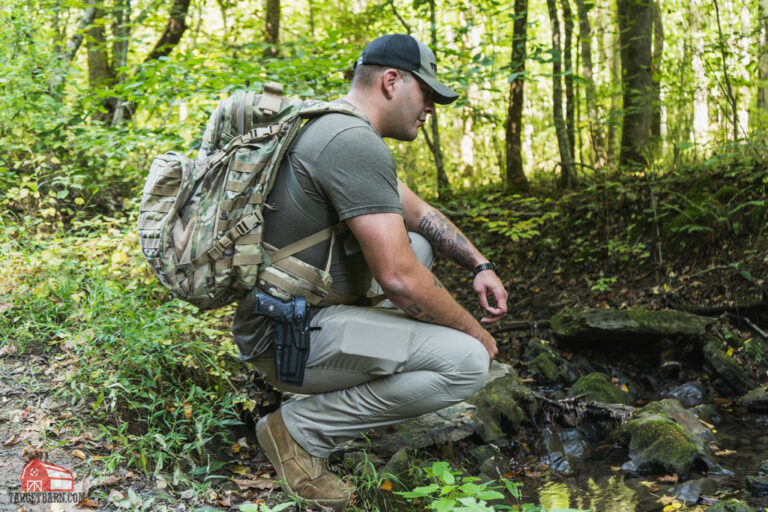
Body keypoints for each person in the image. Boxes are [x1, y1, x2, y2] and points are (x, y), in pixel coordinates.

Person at [231, 33, 508, 511]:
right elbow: (400, 279)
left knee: (417, 244)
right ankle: (298, 433)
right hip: (289, 342)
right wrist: (474, 333)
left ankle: (352, 386)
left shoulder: (329, 125)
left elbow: (420, 216)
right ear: (392, 81)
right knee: (466, 363)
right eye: (427, 94)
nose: (430, 108)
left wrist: (480, 264)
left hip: (290, 318)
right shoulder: (351, 144)